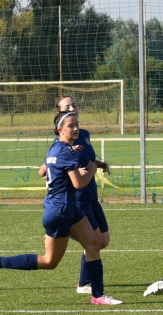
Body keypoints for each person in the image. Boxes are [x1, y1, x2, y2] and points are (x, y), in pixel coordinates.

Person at [0, 111, 122, 306]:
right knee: (49, 262)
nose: (76, 128)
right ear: (60, 129)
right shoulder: (64, 151)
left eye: (77, 124)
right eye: (71, 125)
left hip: (66, 209)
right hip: (60, 212)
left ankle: (98, 295)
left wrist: (85, 158)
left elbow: (55, 167)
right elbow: (79, 184)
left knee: (93, 244)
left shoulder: (56, 148)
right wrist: (92, 169)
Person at [38, 96, 111, 295]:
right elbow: (44, 170)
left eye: (74, 105)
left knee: (103, 240)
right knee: (93, 242)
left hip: (91, 194)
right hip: (76, 199)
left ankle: (88, 276)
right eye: (66, 106)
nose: (72, 108)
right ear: (59, 115)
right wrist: (69, 162)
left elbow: (87, 160)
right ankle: (85, 283)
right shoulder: (60, 143)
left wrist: (99, 164)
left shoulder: (84, 134)